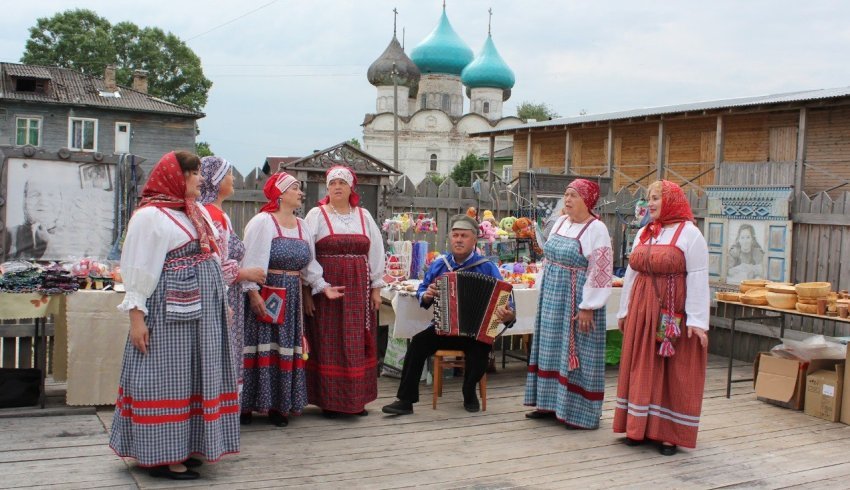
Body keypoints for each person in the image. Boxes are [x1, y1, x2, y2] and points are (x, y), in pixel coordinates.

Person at [109, 151, 239, 480]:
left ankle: (185, 446)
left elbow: (209, 260)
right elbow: (138, 268)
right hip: (170, 315)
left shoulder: (191, 212)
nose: (199, 178)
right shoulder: (150, 217)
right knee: (166, 379)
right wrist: (136, 319)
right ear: (174, 177)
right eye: (192, 173)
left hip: (201, 315)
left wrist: (221, 300)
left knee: (195, 377)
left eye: (198, 173)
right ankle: (163, 455)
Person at [382, 214, 516, 415]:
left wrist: (508, 315)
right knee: (418, 344)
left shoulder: (487, 266)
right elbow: (423, 289)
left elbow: (507, 300)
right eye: (455, 235)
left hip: (475, 333)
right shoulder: (440, 264)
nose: (459, 240)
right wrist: (425, 295)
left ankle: (468, 390)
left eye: (464, 235)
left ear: (474, 240)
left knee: (482, 351)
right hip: (444, 328)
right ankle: (405, 400)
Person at [613, 180, 709, 456]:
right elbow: (632, 274)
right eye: (649, 198)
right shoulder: (645, 232)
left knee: (671, 371)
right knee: (641, 366)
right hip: (642, 310)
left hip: (672, 311)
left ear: (673, 201)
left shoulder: (690, 235)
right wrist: (624, 310)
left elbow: (699, 277)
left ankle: (668, 433)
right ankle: (638, 427)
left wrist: (697, 322)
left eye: (657, 198)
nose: (651, 203)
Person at [240, 172, 344, 427]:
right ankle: (247, 406)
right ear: (280, 193)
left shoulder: (302, 226)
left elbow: (309, 264)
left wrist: (322, 286)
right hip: (267, 292)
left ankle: (279, 405)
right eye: (295, 188)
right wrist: (253, 293)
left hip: (292, 296)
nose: (300, 193)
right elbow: (251, 260)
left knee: (283, 348)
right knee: (260, 345)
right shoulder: (262, 222)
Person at [524, 179, 613, 429]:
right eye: (566, 194)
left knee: (579, 354)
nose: (568, 199)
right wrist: (541, 286)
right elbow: (549, 257)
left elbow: (601, 271)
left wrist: (588, 306)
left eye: (574, 195)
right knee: (549, 347)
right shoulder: (561, 222)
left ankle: (578, 412)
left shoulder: (597, 229)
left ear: (588, 200)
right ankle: (548, 403)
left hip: (577, 300)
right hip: (553, 296)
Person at [304, 165, 386, 417]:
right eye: (332, 183)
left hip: (359, 289)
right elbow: (306, 254)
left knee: (356, 341)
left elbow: (376, 252)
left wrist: (375, 287)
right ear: (327, 188)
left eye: (342, 182)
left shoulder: (363, 215)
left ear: (351, 187)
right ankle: (330, 401)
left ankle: (355, 400)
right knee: (329, 341)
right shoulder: (316, 215)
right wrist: (316, 286)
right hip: (328, 287)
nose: (337, 187)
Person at [198, 156, 266, 395]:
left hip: (231, 296)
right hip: (221, 298)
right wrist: (245, 273)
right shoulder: (210, 216)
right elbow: (213, 266)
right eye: (228, 174)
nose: (233, 178)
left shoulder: (218, 214)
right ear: (215, 181)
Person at [6, 181, 61, 259]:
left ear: (61, 200)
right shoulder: (9, 234)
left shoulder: (74, 237)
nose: (43, 202)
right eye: (35, 195)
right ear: (25, 201)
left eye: (51, 195)